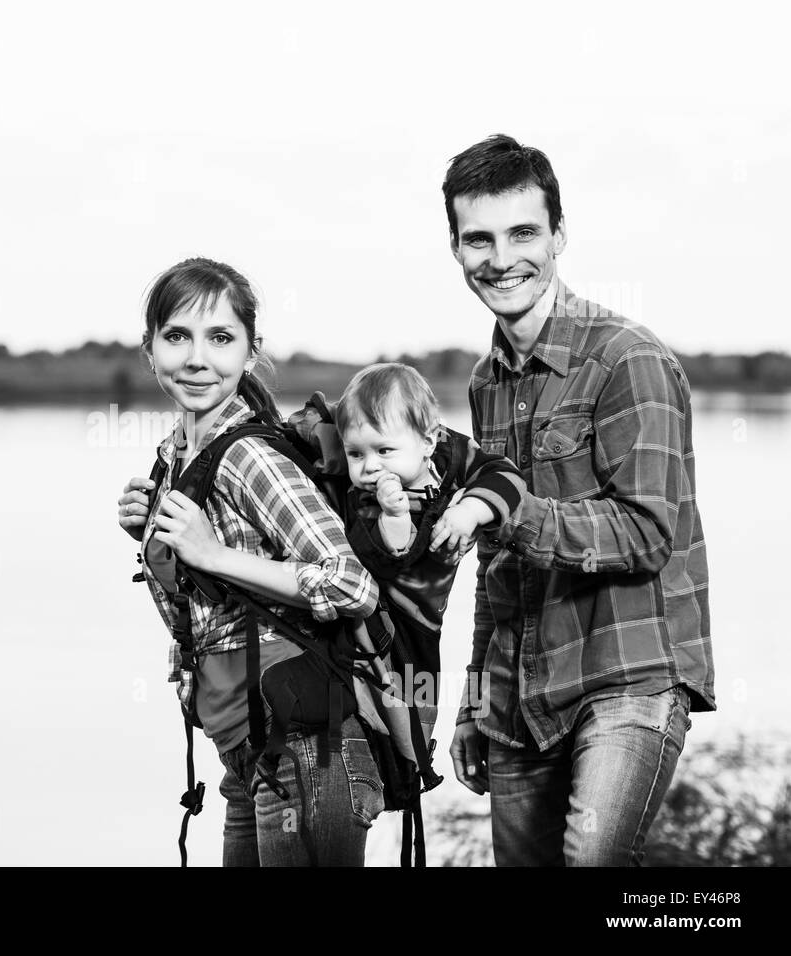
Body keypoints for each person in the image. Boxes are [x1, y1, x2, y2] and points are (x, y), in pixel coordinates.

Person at [441, 134, 714, 866]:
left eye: (523, 232)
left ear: (559, 235)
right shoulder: (485, 383)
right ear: (456, 250)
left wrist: (507, 509)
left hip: (630, 675)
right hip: (523, 691)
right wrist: (476, 700)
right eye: (479, 239)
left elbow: (647, 531)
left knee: (592, 858)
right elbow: (495, 568)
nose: (501, 259)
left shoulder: (630, 358)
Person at [116, 257, 381, 866]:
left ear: (250, 349)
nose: (197, 358)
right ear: (149, 350)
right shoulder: (176, 457)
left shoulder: (249, 457)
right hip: (248, 752)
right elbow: (216, 612)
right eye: (177, 336)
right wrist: (152, 538)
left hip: (308, 750)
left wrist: (211, 552)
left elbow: (351, 586)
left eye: (220, 338)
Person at [327, 362, 525, 741]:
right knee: (388, 694)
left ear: (428, 443)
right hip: (388, 613)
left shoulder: (453, 455)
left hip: (426, 616)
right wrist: (395, 515)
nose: (370, 466)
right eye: (355, 454)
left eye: (384, 449)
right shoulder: (367, 499)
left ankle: (415, 762)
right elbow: (387, 555)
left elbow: (506, 475)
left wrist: (470, 510)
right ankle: (390, 754)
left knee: (423, 695)